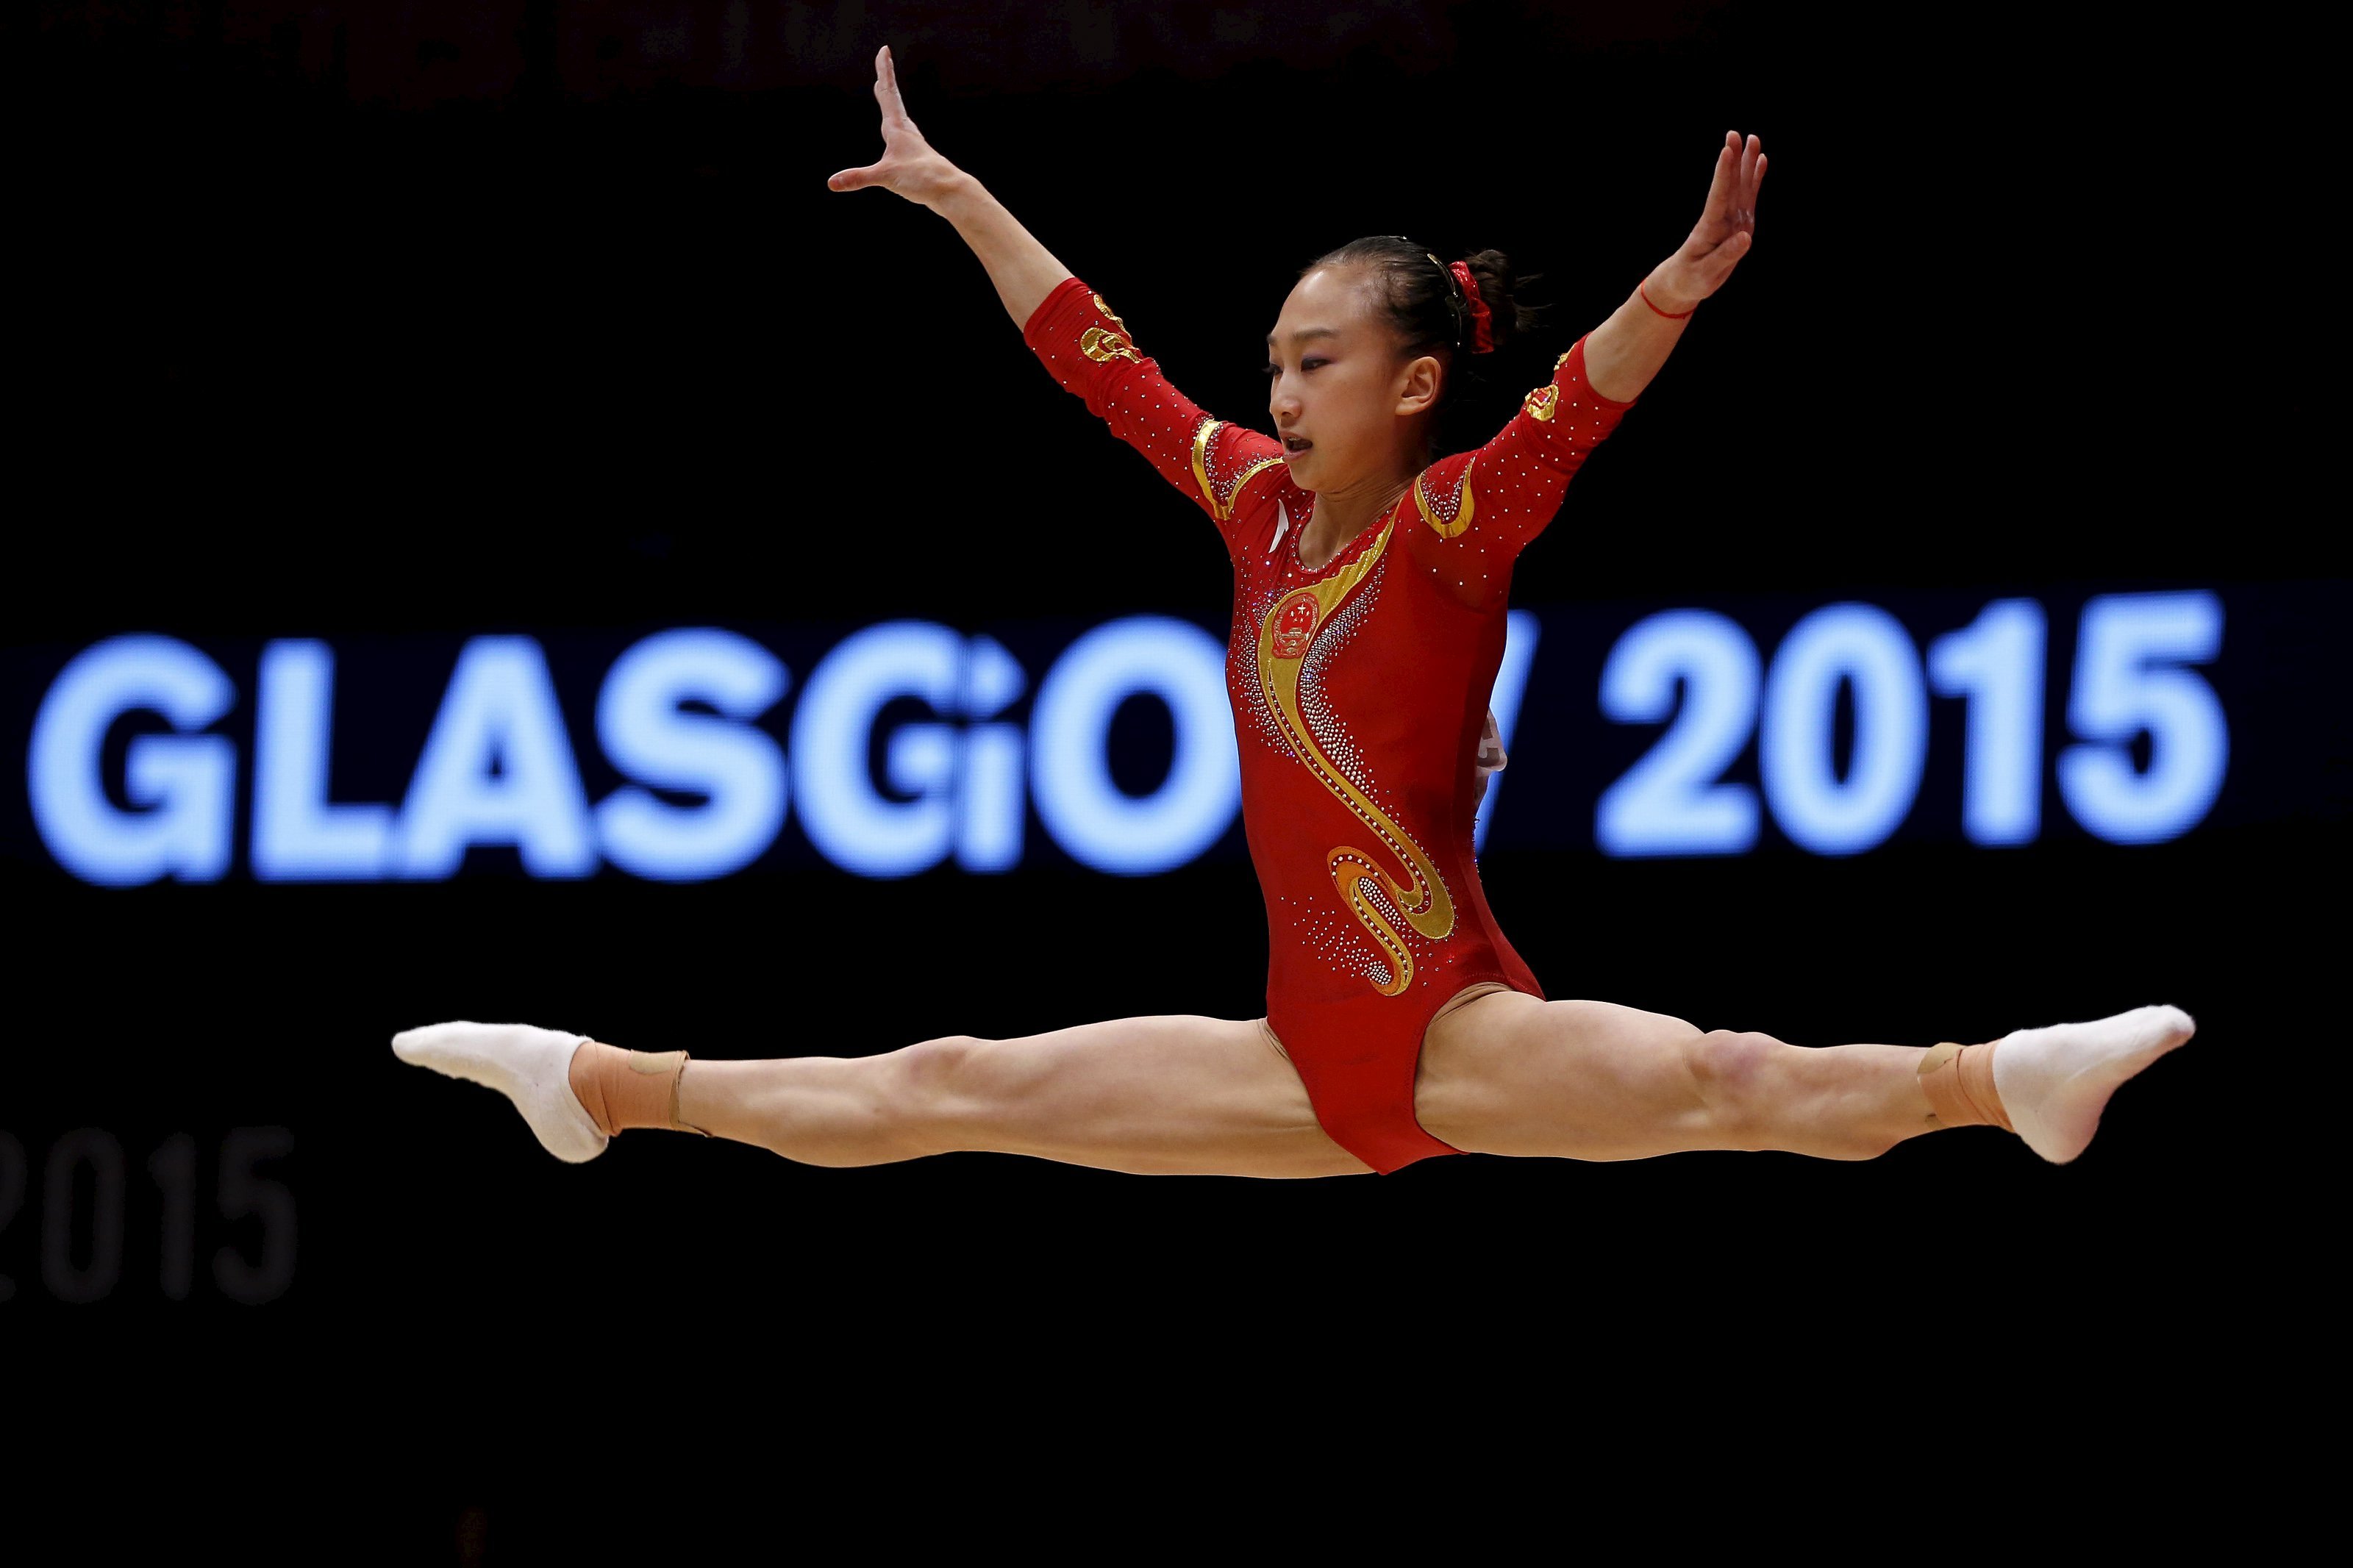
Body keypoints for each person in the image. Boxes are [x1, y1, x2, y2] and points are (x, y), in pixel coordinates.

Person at [394, 46, 2192, 1178]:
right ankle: (604, 1084)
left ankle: (1994, 1079)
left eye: (1315, 360)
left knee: (1726, 1076)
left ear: (1412, 386)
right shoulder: (1254, 504)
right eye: (1273, 359)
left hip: (1449, 1028)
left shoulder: (1450, 530)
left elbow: (1575, 403)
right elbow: (1100, 364)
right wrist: (956, 198)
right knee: (945, 1078)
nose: (1278, 386)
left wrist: (1682, 282)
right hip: (1288, 1064)